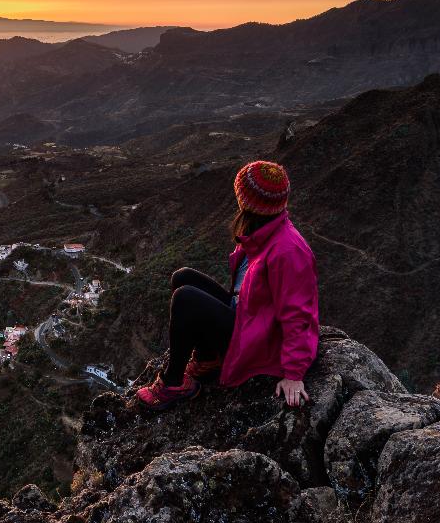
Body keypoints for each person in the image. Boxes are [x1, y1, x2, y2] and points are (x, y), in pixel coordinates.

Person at [135, 160, 319, 410]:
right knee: (183, 276)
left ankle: (173, 384)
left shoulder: (289, 250)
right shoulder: (262, 231)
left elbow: (298, 314)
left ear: (251, 203)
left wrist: (294, 373)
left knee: (186, 298)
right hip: (247, 317)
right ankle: (209, 358)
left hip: (258, 340)